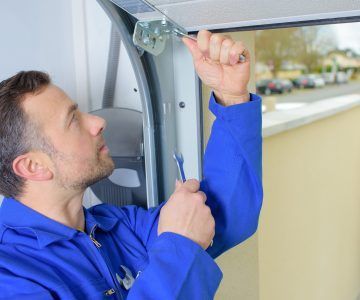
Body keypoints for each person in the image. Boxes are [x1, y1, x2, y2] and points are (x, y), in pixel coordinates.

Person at [0, 30, 263, 299]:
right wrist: (180, 247)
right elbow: (184, 240)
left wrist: (231, 96)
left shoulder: (115, 227)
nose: (97, 122)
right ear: (33, 167)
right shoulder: (10, 276)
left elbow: (226, 215)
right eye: (73, 120)